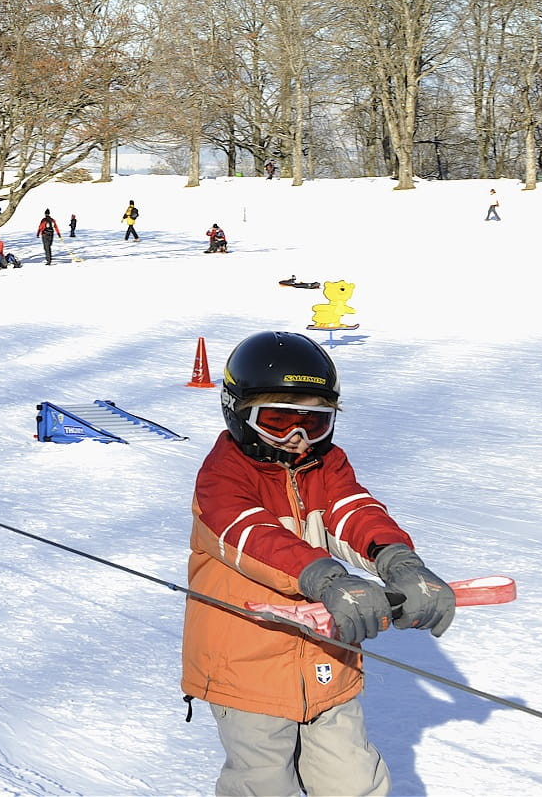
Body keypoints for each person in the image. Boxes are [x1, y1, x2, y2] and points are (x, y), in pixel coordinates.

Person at [184, 331, 456, 797]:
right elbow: (254, 536)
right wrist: (328, 580)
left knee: (352, 781)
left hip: (327, 654)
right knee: (264, 783)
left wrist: (399, 562)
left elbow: (353, 510)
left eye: (314, 423)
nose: (296, 439)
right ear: (238, 412)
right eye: (277, 421)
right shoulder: (222, 477)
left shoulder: (326, 465)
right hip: (245, 663)